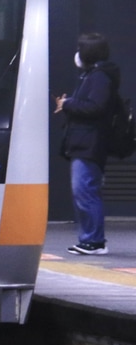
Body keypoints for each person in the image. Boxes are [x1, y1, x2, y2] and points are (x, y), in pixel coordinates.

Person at [55, 31, 121, 255]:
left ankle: (93, 241)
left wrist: (68, 104)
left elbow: (95, 107)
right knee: (83, 190)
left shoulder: (100, 77)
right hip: (84, 141)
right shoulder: (92, 75)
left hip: (90, 143)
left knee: (85, 191)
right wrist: (70, 104)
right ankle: (90, 239)